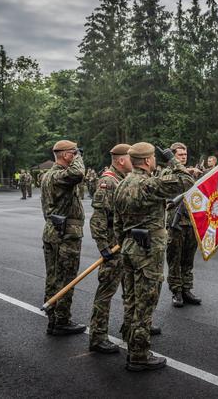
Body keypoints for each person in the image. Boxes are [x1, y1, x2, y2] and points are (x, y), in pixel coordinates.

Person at [113, 142, 191, 371]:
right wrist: (173, 160)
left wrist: (124, 243)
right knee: (145, 303)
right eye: (154, 158)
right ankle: (139, 354)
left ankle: (130, 340)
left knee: (131, 299)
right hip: (148, 250)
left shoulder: (122, 183)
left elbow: (117, 222)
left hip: (128, 246)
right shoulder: (149, 184)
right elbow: (187, 181)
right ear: (148, 161)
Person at [88, 144, 133, 354]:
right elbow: (98, 219)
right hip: (113, 249)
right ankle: (97, 337)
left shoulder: (124, 180)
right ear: (121, 160)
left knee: (130, 291)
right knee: (106, 292)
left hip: (125, 246)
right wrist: (103, 247)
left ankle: (130, 328)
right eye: (132, 158)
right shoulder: (108, 182)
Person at [40, 140, 87, 336]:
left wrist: (75, 154)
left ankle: (53, 318)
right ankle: (61, 320)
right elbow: (78, 173)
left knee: (53, 277)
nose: (76, 155)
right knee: (66, 278)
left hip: (53, 232)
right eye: (74, 152)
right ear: (66, 155)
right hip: (64, 235)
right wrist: (78, 156)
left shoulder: (50, 175)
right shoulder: (59, 175)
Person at [164, 142, 203, 308]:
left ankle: (186, 289)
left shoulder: (192, 173)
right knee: (175, 259)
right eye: (180, 155)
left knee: (188, 259)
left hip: (191, 222)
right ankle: (176, 291)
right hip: (176, 222)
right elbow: (177, 184)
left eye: (185, 155)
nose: (183, 157)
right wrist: (188, 173)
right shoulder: (167, 172)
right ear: (173, 157)